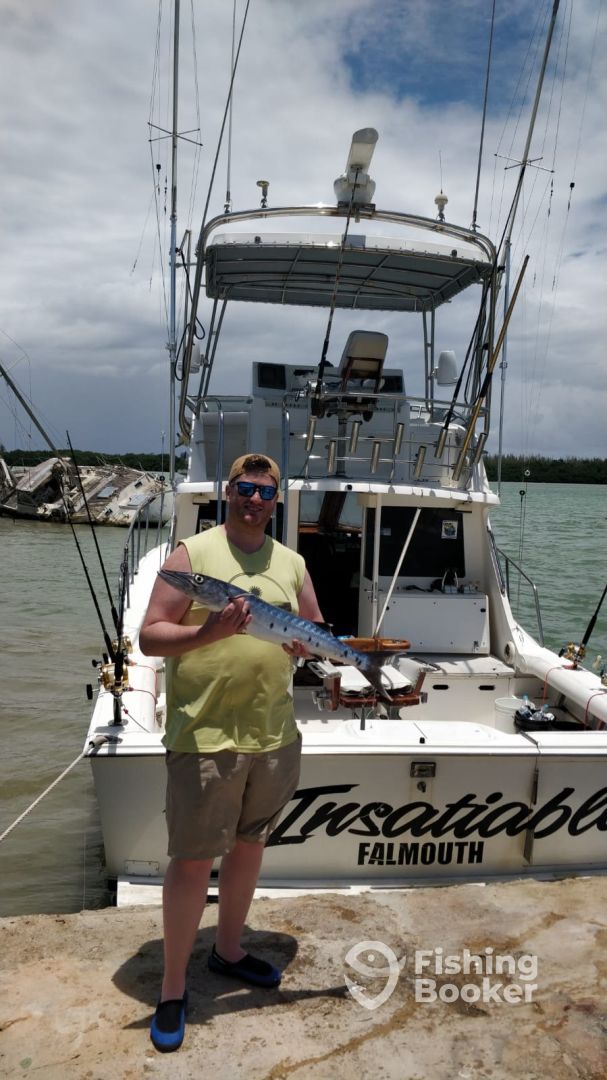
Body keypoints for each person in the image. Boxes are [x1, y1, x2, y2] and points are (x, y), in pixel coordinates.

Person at [139, 452, 323, 1053]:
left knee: (250, 846)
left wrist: (307, 647)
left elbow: (313, 625)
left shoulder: (292, 563)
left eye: (265, 492)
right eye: (245, 488)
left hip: (273, 735)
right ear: (228, 491)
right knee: (193, 860)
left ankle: (228, 949)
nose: (254, 499)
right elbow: (150, 637)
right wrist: (209, 632)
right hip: (205, 737)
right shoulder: (191, 558)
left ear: (277, 500)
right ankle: (172, 988)